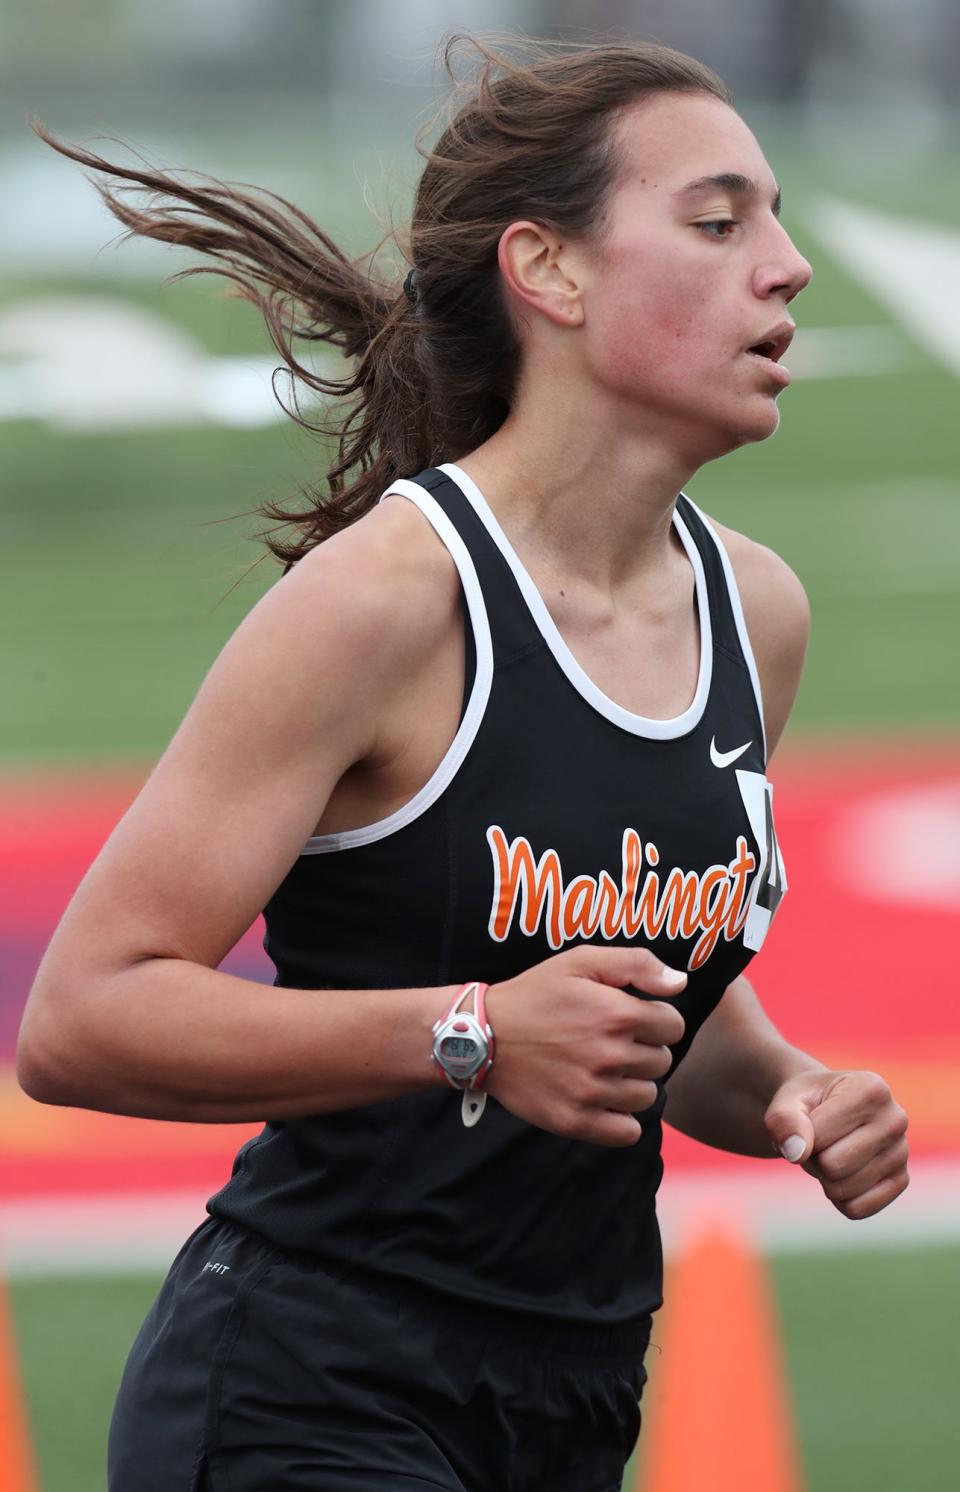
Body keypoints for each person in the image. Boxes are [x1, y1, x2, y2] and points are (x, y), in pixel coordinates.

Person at [18, 35, 909, 1492]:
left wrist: (797, 1094)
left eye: (779, 216)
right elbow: (82, 1017)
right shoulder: (386, 603)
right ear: (547, 273)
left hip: (573, 1398)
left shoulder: (758, 613)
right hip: (310, 1387)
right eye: (718, 219)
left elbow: (650, 1002)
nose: (791, 265)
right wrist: (472, 1031)